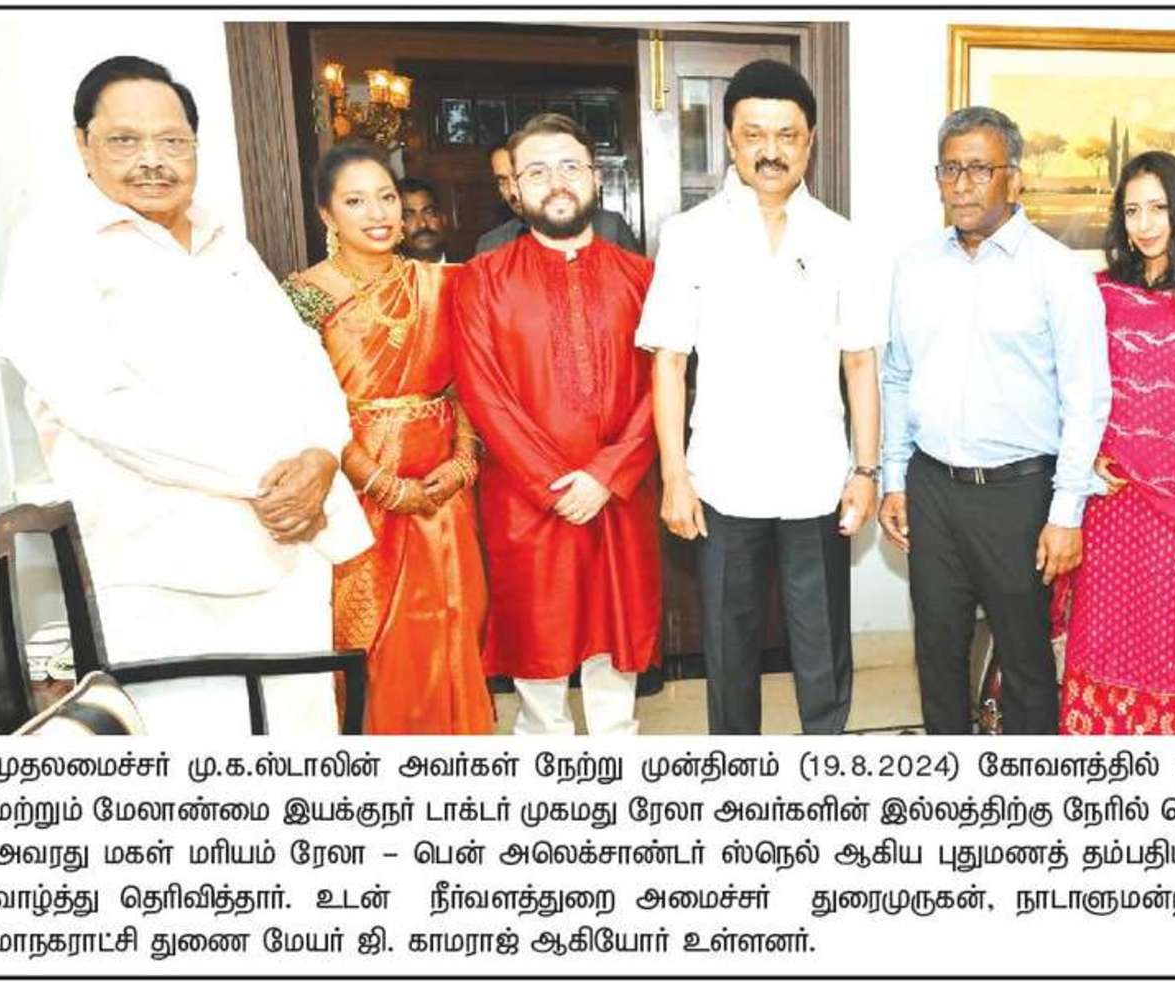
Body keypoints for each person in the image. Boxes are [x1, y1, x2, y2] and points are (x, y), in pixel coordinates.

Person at [0, 55, 371, 734]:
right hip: (169, 572)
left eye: (172, 140)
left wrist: (321, 454)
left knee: (302, 738)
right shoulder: (52, 247)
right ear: (82, 142)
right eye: (125, 139)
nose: (152, 160)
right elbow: (105, 409)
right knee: (201, 755)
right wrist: (274, 480)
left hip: (288, 551)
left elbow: (304, 359)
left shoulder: (223, 238)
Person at [638, 60, 884, 735]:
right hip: (722, 481)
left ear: (810, 142)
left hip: (817, 481)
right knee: (729, 653)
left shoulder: (843, 239)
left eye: (786, 135)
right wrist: (674, 476)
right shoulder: (689, 235)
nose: (770, 151)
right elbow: (669, 363)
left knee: (822, 651)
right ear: (729, 138)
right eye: (754, 134)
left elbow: (860, 362)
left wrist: (866, 471)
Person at [879, 106, 1111, 735]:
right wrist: (895, 478)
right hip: (932, 488)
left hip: (1018, 495)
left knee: (1026, 664)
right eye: (949, 169)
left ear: (1015, 178)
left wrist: (1066, 513)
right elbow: (897, 375)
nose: (962, 185)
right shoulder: (914, 265)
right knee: (938, 655)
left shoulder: (1059, 272)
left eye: (979, 169)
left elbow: (1087, 400)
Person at [450, 113, 660, 736]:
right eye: (537, 171)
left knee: (617, 638)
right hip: (527, 499)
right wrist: (554, 483)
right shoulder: (481, 279)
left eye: (570, 166)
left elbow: (664, 388)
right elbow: (483, 392)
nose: (557, 181)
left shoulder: (643, 279)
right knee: (538, 642)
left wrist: (606, 475)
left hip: (619, 494)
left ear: (596, 178)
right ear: (513, 190)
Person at [281, 144, 490, 734]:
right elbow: (303, 408)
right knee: (375, 643)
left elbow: (466, 385)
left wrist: (462, 464)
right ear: (327, 215)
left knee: (453, 625)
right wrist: (378, 482)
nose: (377, 213)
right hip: (355, 499)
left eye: (387, 197)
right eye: (355, 201)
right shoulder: (303, 295)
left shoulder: (443, 283)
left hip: (443, 495)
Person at [1055, 151, 1175, 736]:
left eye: (1158, 208)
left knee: (1169, 646)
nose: (1144, 225)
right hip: (1108, 501)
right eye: (1132, 210)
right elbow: (1069, 389)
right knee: (1101, 636)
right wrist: (1087, 460)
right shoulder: (1100, 296)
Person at [475, 138, 643, 255]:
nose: (511, 190)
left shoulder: (609, 227)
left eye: (517, 176)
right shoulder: (491, 245)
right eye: (502, 181)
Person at [396, 176, 450, 262]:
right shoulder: (387, 270)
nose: (422, 224)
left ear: (443, 219)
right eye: (408, 216)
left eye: (429, 212)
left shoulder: (467, 267)